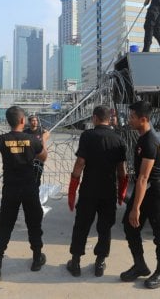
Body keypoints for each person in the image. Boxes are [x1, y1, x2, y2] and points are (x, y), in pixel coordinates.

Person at [0, 106, 47, 283]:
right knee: (34, 222)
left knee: (5, 225)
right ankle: (37, 259)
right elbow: (44, 157)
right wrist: (43, 141)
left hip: (11, 189)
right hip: (29, 188)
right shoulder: (32, 139)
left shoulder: (2, 139)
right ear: (23, 120)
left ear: (9, 121)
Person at [66, 106, 128, 277]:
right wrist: (121, 191)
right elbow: (121, 170)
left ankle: (76, 262)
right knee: (105, 227)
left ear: (94, 118)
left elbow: (80, 163)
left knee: (82, 225)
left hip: (89, 190)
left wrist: (72, 189)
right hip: (108, 191)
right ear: (109, 119)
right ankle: (100, 263)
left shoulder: (88, 136)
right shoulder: (118, 139)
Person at [120, 100, 160, 289]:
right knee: (129, 225)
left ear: (144, 119)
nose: (129, 120)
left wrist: (136, 208)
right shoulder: (141, 138)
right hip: (145, 190)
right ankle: (140, 265)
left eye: (132, 117)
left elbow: (143, 178)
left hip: (154, 191)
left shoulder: (150, 141)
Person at [24, 115, 49, 186]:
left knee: (38, 176)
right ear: (29, 122)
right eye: (33, 120)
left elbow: (47, 134)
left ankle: (36, 190)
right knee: (28, 176)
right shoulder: (25, 132)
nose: (35, 122)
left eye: (36, 120)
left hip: (39, 157)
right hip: (29, 158)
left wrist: (44, 141)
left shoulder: (41, 130)